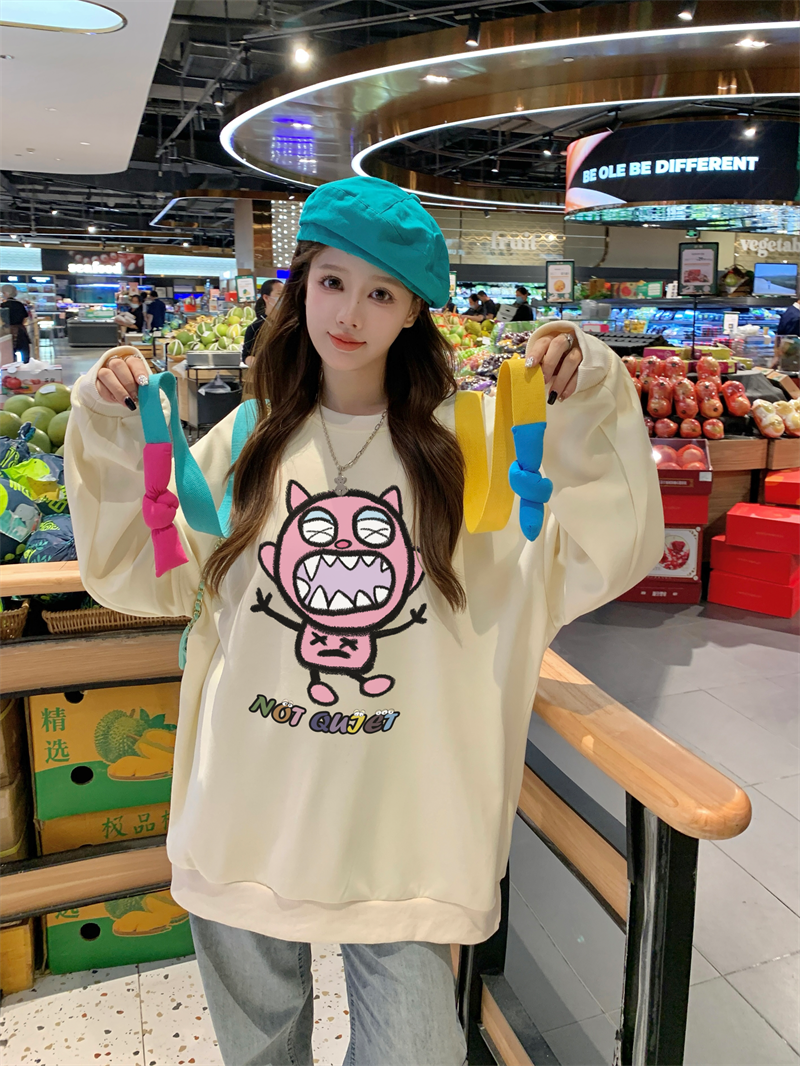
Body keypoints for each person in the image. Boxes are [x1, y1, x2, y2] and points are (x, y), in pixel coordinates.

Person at [64, 176, 662, 1066]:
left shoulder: (468, 449)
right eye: (332, 281)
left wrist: (587, 390)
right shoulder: (247, 440)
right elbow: (143, 570)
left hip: (402, 829)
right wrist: (106, 422)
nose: (349, 313)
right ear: (300, 285)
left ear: (414, 312)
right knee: (259, 1052)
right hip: (246, 809)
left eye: (382, 293)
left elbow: (592, 548)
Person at [242, 278, 284, 365]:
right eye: (280, 294)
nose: (284, 298)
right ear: (266, 297)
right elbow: (246, 357)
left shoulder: (291, 324)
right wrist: (262, 364)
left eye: (285, 294)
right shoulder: (254, 328)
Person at [1, 284, 31, 362]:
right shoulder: (20, 304)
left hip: (7, 331)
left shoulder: (3, 305)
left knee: (9, 353)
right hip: (20, 330)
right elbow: (25, 316)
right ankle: (24, 367)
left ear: (6, 293)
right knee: (24, 352)